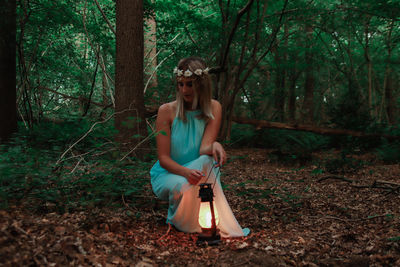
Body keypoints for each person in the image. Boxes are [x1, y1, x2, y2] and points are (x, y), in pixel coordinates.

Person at [150, 56, 249, 237]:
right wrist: (186, 172)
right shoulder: (167, 111)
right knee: (183, 183)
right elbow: (163, 159)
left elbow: (204, 149)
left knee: (207, 159)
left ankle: (210, 220)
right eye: (180, 84)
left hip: (197, 170)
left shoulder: (214, 107)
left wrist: (216, 144)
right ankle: (179, 221)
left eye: (189, 84)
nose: (184, 89)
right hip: (170, 173)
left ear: (202, 84)